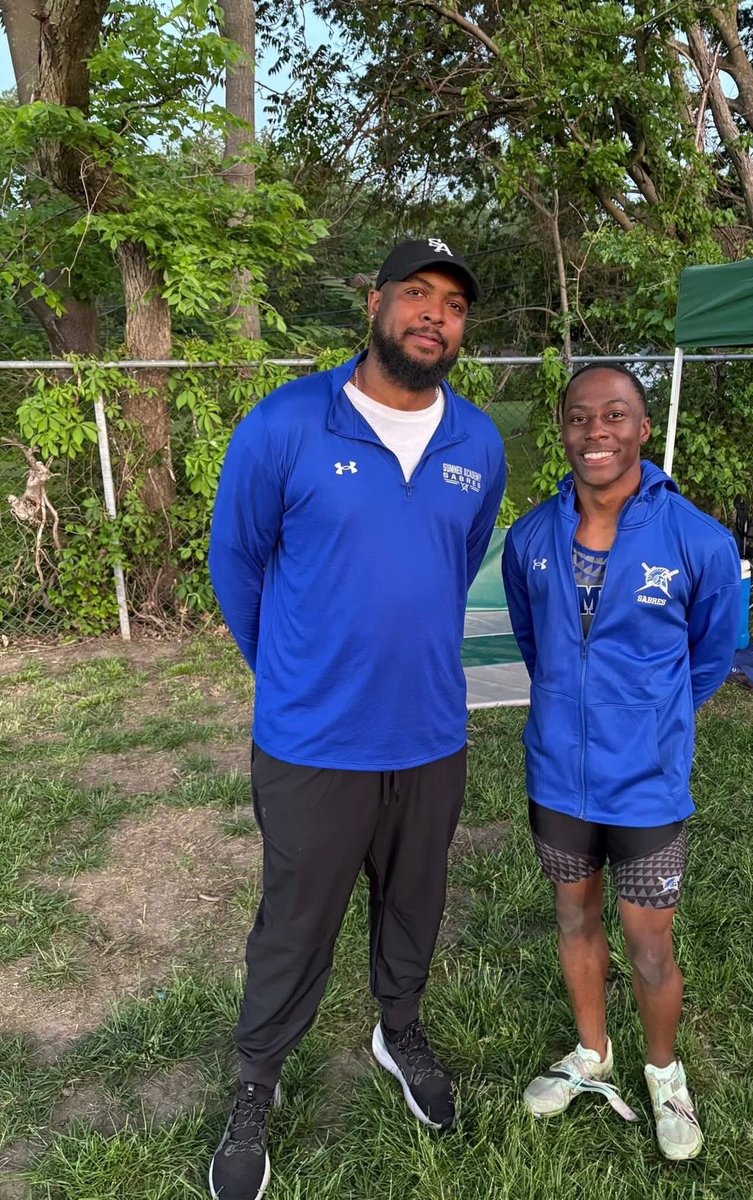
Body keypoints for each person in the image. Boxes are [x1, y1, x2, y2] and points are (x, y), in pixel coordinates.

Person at [207, 239, 506, 1200]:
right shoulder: (289, 422)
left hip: (429, 733)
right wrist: (293, 674)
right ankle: (259, 1077)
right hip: (312, 741)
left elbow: (454, 567)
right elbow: (238, 561)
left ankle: (398, 1026)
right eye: (416, 294)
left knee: (414, 901)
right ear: (375, 304)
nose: (434, 315)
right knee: (295, 921)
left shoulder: (479, 445)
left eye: (453, 305)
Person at [502, 364, 740, 1161]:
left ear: (642, 429)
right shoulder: (531, 537)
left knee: (647, 944)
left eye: (614, 416)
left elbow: (709, 657)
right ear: (562, 430)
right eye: (578, 417)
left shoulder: (697, 540)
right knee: (573, 916)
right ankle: (591, 1051)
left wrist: (648, 721)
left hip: (645, 785)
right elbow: (538, 648)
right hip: (558, 777)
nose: (594, 432)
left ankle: (664, 1073)